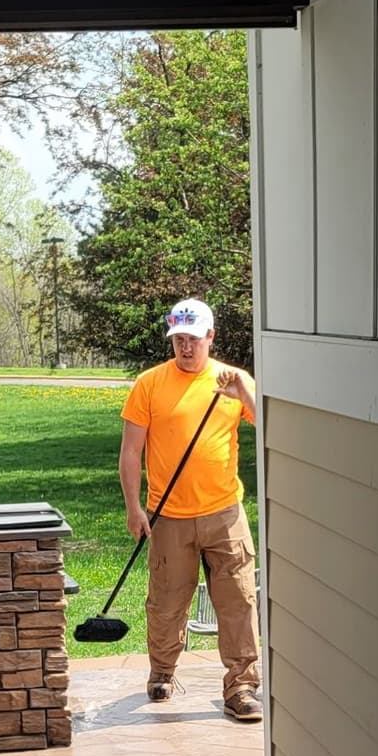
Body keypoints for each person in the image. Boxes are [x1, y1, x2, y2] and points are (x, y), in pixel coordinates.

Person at [119, 298, 262, 722]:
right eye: (179, 339)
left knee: (238, 599)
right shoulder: (149, 384)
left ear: (210, 337)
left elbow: (276, 426)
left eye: (193, 340)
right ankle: (162, 671)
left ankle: (243, 685)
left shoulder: (232, 380)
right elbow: (130, 452)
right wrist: (133, 507)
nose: (185, 348)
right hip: (168, 516)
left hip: (225, 513)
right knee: (166, 600)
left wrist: (246, 395)